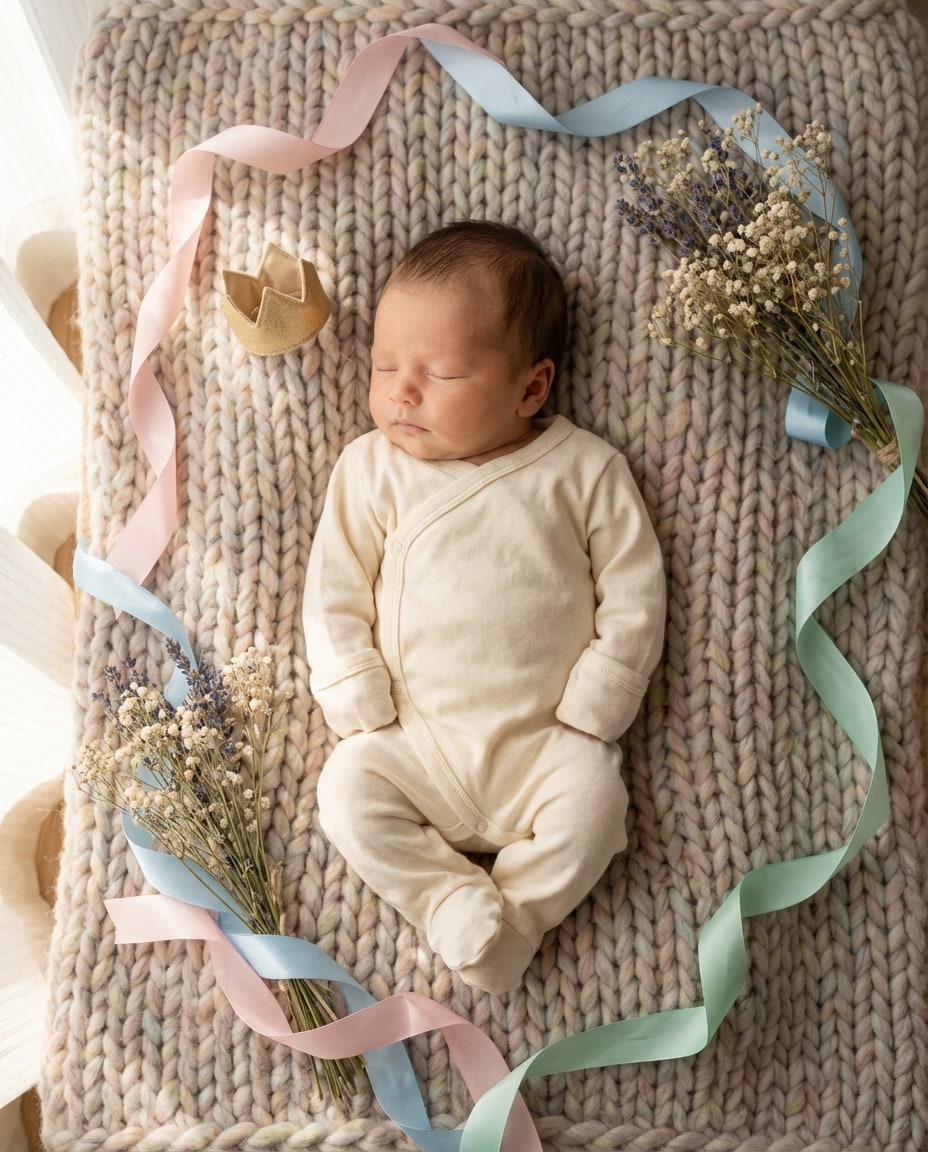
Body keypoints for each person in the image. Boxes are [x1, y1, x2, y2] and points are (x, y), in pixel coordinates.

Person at [302, 220, 666, 994]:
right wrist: (352, 687)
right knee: (345, 792)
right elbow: (332, 586)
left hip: (544, 743)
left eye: (439, 373)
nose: (401, 391)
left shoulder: (583, 470)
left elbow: (635, 590)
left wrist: (602, 698)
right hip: (412, 741)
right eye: (386, 365)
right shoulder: (371, 470)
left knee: (598, 810)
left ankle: (517, 922)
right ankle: (449, 900)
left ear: (530, 387)